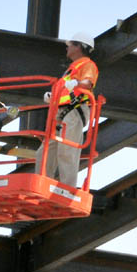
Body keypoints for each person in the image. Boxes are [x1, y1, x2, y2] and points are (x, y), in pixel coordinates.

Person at [34, 31, 99, 187]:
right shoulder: (70, 71)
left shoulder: (87, 65)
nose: (67, 48)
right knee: (44, 152)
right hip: (60, 113)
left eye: (70, 45)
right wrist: (53, 97)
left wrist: (77, 84)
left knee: (67, 152)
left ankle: (67, 188)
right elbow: (66, 91)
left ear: (79, 47)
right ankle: (42, 184)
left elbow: (88, 83)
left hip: (74, 112)